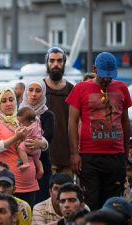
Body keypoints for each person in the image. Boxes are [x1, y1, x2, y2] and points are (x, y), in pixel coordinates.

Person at [66, 52, 132, 210]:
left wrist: (125, 153)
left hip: (115, 157)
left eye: (110, 76)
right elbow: (72, 122)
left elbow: (124, 121)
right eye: (103, 76)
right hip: (89, 157)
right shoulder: (81, 88)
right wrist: (75, 154)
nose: (107, 79)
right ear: (95, 70)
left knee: (113, 205)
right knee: (91, 204)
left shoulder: (122, 88)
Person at [0, 87, 38, 207]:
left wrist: (41, 144)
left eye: (11, 99)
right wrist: (15, 137)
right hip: (6, 184)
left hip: (30, 182)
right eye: (3, 101)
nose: (8, 104)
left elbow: (40, 139)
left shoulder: (22, 118)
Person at [18, 80, 55, 204]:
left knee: (40, 203)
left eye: (38, 91)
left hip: (42, 164)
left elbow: (49, 137)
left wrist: (41, 143)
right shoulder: (18, 113)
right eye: (30, 90)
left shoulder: (48, 115)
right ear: (26, 92)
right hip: (20, 169)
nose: (33, 94)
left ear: (43, 93)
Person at [43, 47, 74, 176]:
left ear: (64, 63)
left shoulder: (72, 89)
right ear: (47, 63)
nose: (56, 64)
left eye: (59, 61)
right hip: (45, 156)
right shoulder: (38, 89)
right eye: (52, 60)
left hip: (68, 158)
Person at [16, 107, 44, 176]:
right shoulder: (37, 121)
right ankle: (40, 170)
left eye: (22, 122)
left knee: (20, 148)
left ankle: (25, 162)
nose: (19, 124)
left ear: (30, 121)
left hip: (30, 145)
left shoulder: (29, 128)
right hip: (38, 149)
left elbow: (21, 134)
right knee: (37, 159)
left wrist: (17, 131)